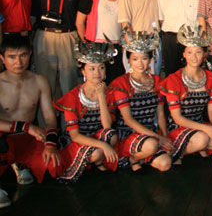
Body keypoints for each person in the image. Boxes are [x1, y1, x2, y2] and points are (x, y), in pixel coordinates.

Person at [0, 35, 62, 207]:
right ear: (2, 59)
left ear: (30, 55)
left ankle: (20, 164)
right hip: (3, 139)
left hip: (28, 139)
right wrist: (26, 126)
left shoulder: (39, 81)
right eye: (12, 57)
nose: (18, 62)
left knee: (54, 167)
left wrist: (50, 145)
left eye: (23, 55)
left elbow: (49, 118)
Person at [54, 39, 119, 182]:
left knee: (112, 135)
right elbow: (75, 136)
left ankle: (98, 162)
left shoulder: (109, 93)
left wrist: (101, 96)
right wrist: (103, 145)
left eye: (101, 67)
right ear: (83, 71)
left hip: (97, 136)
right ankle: (95, 160)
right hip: (78, 140)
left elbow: (107, 126)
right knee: (97, 152)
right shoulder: (72, 97)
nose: (97, 73)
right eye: (91, 68)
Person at [160, 25, 212, 166]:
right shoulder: (174, 80)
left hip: (199, 124)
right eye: (189, 52)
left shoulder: (210, 78)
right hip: (179, 126)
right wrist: (206, 129)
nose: (194, 57)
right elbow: (177, 118)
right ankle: (178, 153)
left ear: (204, 54)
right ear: (184, 54)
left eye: (198, 52)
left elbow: (211, 109)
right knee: (202, 139)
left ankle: (195, 147)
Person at [109, 29, 173, 172]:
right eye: (135, 59)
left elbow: (160, 114)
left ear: (150, 59)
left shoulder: (157, 81)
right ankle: (132, 158)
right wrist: (158, 138)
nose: (140, 63)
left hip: (150, 132)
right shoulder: (121, 84)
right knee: (151, 145)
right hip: (129, 133)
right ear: (129, 60)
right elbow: (128, 120)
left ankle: (140, 158)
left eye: (144, 58)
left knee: (165, 163)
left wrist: (164, 136)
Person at [31, 0, 85, 99]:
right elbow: (33, 17)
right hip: (44, 36)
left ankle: (69, 114)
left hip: (69, 36)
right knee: (45, 82)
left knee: (70, 81)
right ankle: (45, 114)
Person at [76, 0, 123, 83]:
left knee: (115, 81)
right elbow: (79, 22)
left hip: (116, 46)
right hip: (96, 45)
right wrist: (86, 43)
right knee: (98, 81)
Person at [117, 0, 161, 74]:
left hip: (153, 43)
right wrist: (133, 47)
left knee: (153, 79)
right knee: (135, 79)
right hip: (135, 43)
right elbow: (125, 22)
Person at [158, 0, 201, 77]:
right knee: (172, 75)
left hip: (193, 39)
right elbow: (161, 19)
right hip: (171, 39)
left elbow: (203, 19)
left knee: (192, 74)